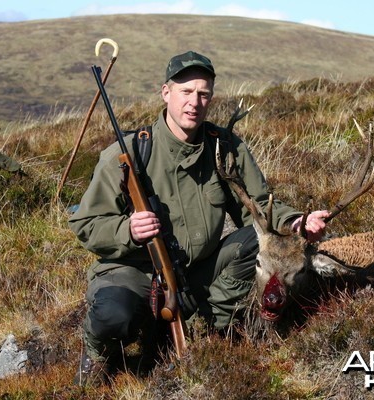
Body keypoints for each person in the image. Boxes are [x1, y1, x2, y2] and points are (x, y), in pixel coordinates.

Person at [69, 50, 330, 385]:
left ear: (211, 98)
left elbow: (260, 206)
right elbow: (85, 224)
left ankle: (208, 326)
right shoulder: (127, 155)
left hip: (194, 273)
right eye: (185, 92)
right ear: (166, 93)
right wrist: (128, 230)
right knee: (112, 316)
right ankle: (97, 352)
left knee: (254, 240)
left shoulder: (224, 147)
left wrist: (296, 222)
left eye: (203, 94)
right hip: (132, 271)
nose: (194, 102)